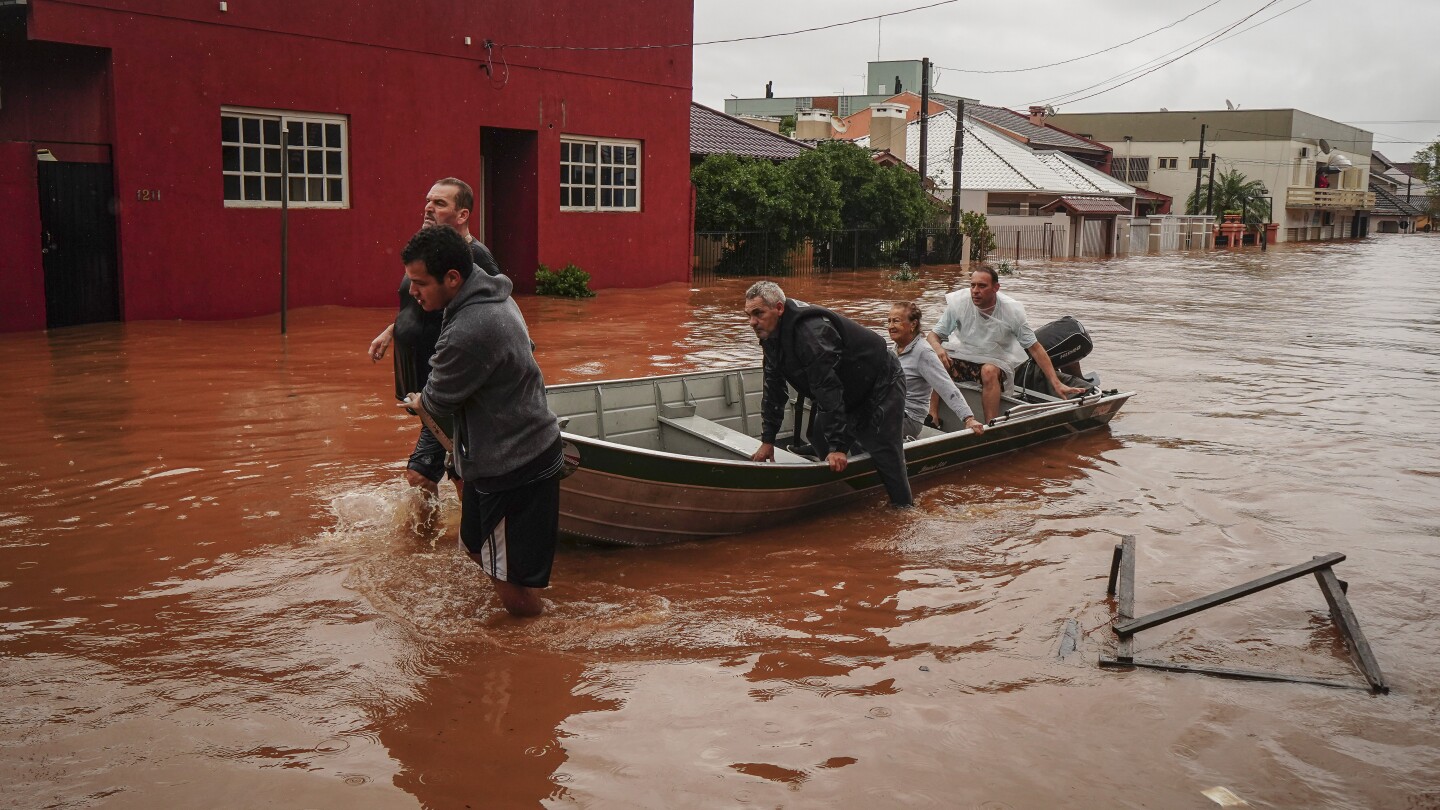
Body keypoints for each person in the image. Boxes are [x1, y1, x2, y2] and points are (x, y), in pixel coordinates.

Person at [398, 225, 563, 618]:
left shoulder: (471, 328)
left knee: (508, 582)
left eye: (420, 283)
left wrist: (424, 395)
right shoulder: (493, 294)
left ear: (452, 278)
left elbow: (436, 400)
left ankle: (535, 642)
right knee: (474, 546)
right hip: (497, 453)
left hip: (513, 464)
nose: (412, 292)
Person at [368, 178, 502, 497]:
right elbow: (419, 300)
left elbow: (497, 311)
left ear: (462, 215)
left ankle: (448, 539)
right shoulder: (429, 251)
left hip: (451, 386)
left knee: (421, 475)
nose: (428, 208)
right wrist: (392, 331)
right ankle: (464, 530)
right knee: (456, 465)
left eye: (440, 203)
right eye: (428, 200)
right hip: (429, 384)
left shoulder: (476, 258)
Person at [745, 281, 913, 507]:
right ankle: (845, 493)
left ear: (779, 308)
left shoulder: (811, 333)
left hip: (882, 382)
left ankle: (903, 510)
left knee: (884, 449)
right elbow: (773, 389)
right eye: (748, 315)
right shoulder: (771, 336)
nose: (752, 322)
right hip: (849, 389)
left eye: (758, 313)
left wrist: (838, 447)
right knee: (817, 434)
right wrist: (768, 440)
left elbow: (827, 387)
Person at [925, 267, 1085, 423]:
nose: (975, 290)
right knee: (937, 359)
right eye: (972, 285)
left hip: (996, 361)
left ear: (996, 288)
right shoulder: (959, 304)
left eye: (982, 286)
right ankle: (932, 415)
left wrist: (1056, 383)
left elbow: (1035, 348)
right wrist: (938, 348)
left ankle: (991, 425)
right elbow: (933, 336)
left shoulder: (1011, 312)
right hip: (964, 355)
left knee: (988, 371)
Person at [887, 302, 984, 439]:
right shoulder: (895, 349)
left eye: (896, 321)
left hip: (909, 418)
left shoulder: (923, 352)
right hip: (892, 410)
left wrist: (968, 418)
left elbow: (946, 386)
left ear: (913, 324)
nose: (890, 326)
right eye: (889, 321)